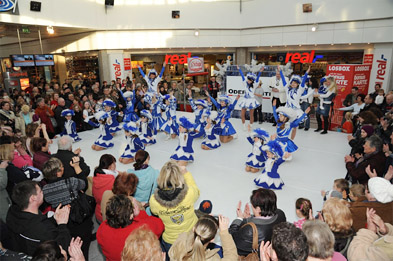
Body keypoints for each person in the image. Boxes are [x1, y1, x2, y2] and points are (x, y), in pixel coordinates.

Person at [41, 158, 92, 259]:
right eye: (62, 166)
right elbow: (84, 184)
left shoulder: (45, 190)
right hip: (80, 218)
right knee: (83, 245)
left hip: (63, 221)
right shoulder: (70, 182)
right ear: (59, 172)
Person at [6, 180, 72, 255]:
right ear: (33, 198)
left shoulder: (13, 214)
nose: (43, 192)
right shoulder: (44, 229)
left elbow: (36, 223)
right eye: (40, 191)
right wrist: (62, 225)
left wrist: (54, 218)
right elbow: (61, 250)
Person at [149, 161, 200, 254]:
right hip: (190, 236)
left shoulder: (154, 201)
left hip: (170, 240)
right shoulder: (189, 194)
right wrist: (186, 173)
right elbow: (196, 190)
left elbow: (154, 212)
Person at [97, 194, 164, 261]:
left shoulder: (102, 229)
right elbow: (160, 225)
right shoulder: (141, 230)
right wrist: (140, 213)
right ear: (131, 216)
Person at [229, 188, 286, 256]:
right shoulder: (280, 214)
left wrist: (239, 219)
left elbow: (231, 238)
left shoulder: (249, 229)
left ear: (258, 209)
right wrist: (250, 219)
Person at [169, 215, 238, 260]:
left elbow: (189, 236)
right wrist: (224, 232)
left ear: (193, 229)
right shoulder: (213, 258)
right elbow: (232, 256)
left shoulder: (180, 243)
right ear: (212, 239)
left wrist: (203, 223)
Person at [279, 66, 310, 139]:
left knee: (294, 127)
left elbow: (302, 83)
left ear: (298, 84)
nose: (293, 84)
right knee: (282, 124)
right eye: (292, 82)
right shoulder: (287, 89)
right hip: (287, 110)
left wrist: (306, 73)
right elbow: (283, 80)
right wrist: (280, 71)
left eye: (295, 83)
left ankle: (291, 140)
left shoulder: (299, 91)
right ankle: (282, 137)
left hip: (295, 111)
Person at [127, 150, 159, 214]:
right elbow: (156, 189)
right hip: (149, 207)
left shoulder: (129, 174)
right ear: (146, 160)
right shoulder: (155, 173)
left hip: (134, 206)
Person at [92, 154, 120, 223]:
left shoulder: (97, 176)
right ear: (111, 166)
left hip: (98, 213)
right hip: (108, 216)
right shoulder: (112, 181)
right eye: (114, 163)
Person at [237, 65, 264, 130]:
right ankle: (244, 126)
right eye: (248, 79)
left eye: (250, 80)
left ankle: (250, 126)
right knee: (242, 114)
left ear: (252, 81)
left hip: (251, 101)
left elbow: (257, 79)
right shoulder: (245, 84)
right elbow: (242, 77)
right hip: (245, 100)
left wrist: (260, 72)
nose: (248, 81)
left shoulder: (254, 85)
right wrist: (239, 69)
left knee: (251, 114)